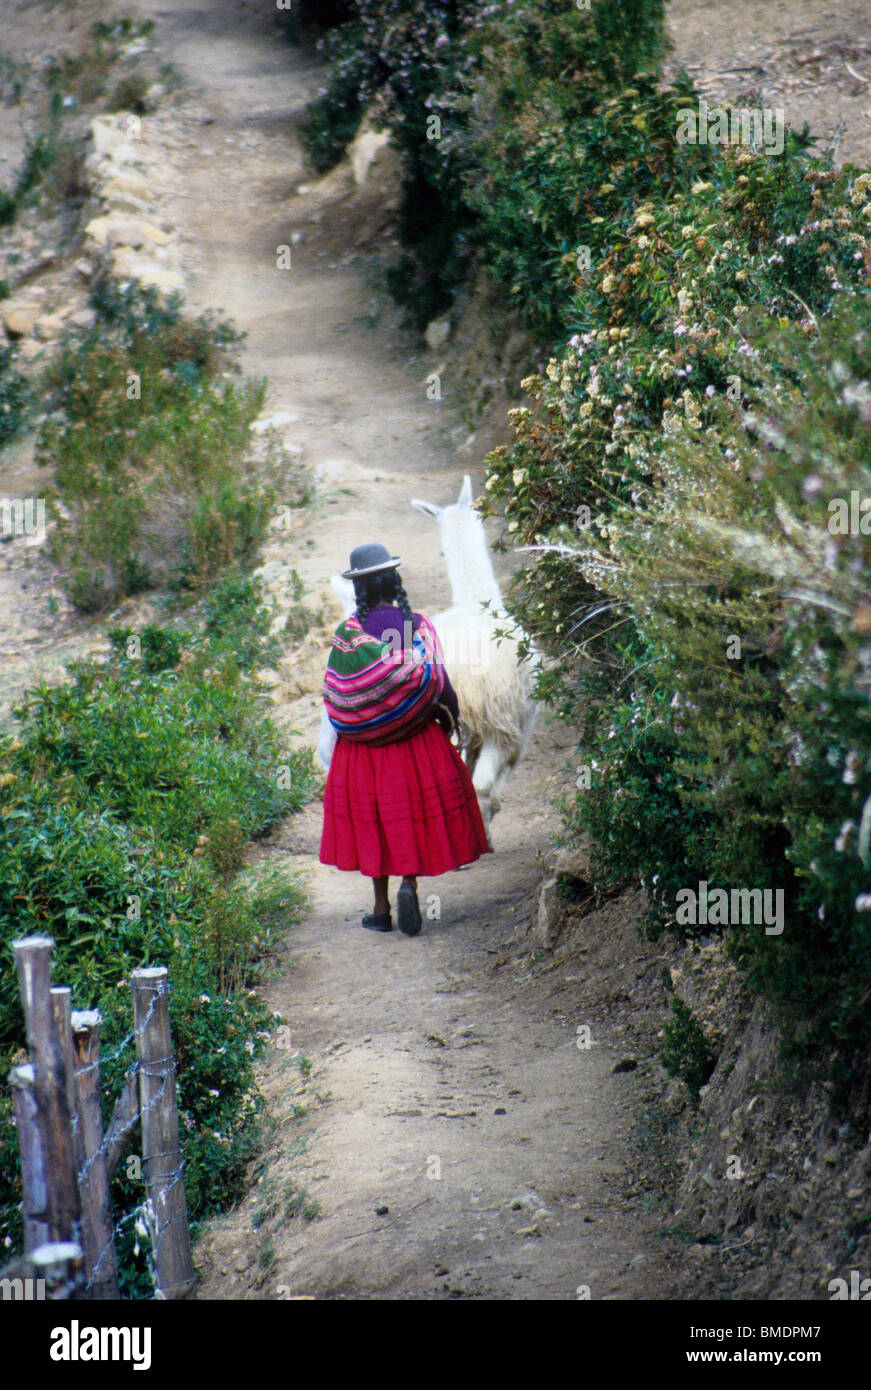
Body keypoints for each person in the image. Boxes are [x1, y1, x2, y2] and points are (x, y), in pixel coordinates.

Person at [319, 543, 490, 935]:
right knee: (407, 816)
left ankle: (380, 909)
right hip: (414, 744)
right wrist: (446, 726)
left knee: (374, 822)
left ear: (359, 590)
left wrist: (363, 720)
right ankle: (409, 883)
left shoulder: (348, 636)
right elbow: (441, 688)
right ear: (394, 582)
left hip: (362, 752)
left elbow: (336, 694)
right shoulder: (416, 627)